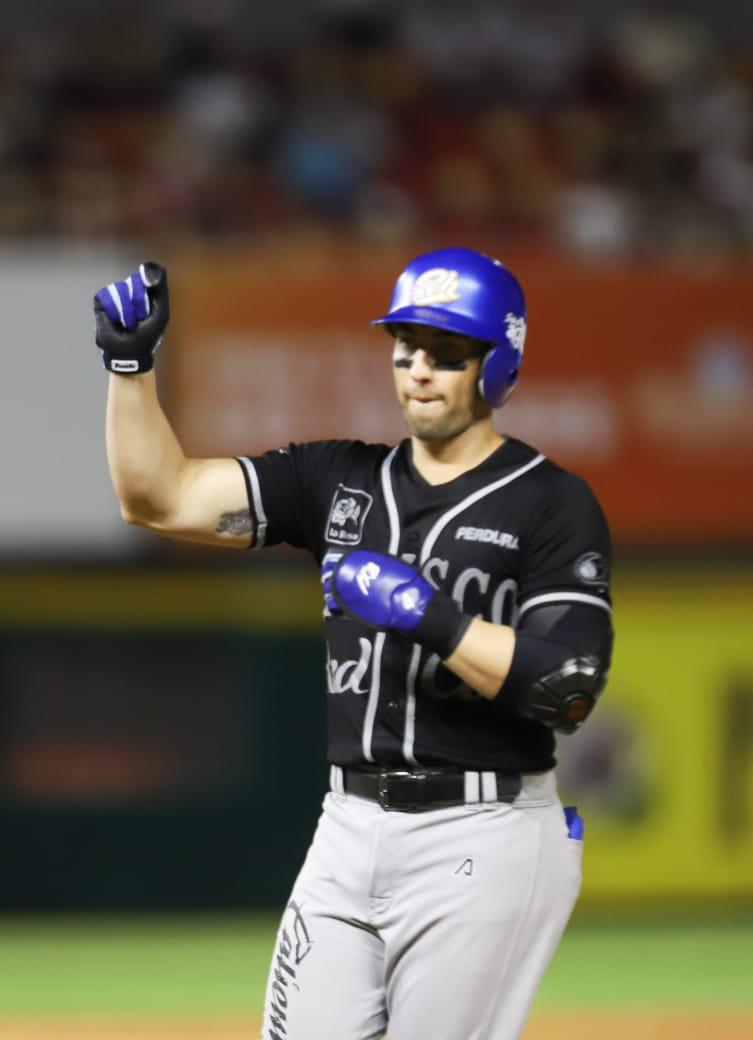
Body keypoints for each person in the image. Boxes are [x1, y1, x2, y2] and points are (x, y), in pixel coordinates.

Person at [95, 247, 613, 1040]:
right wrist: (130, 364)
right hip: (348, 825)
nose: (418, 369)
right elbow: (157, 497)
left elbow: (568, 684)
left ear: (497, 364)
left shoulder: (549, 502)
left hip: (484, 833)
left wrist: (426, 617)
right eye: (406, 346)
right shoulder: (335, 479)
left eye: (447, 353)